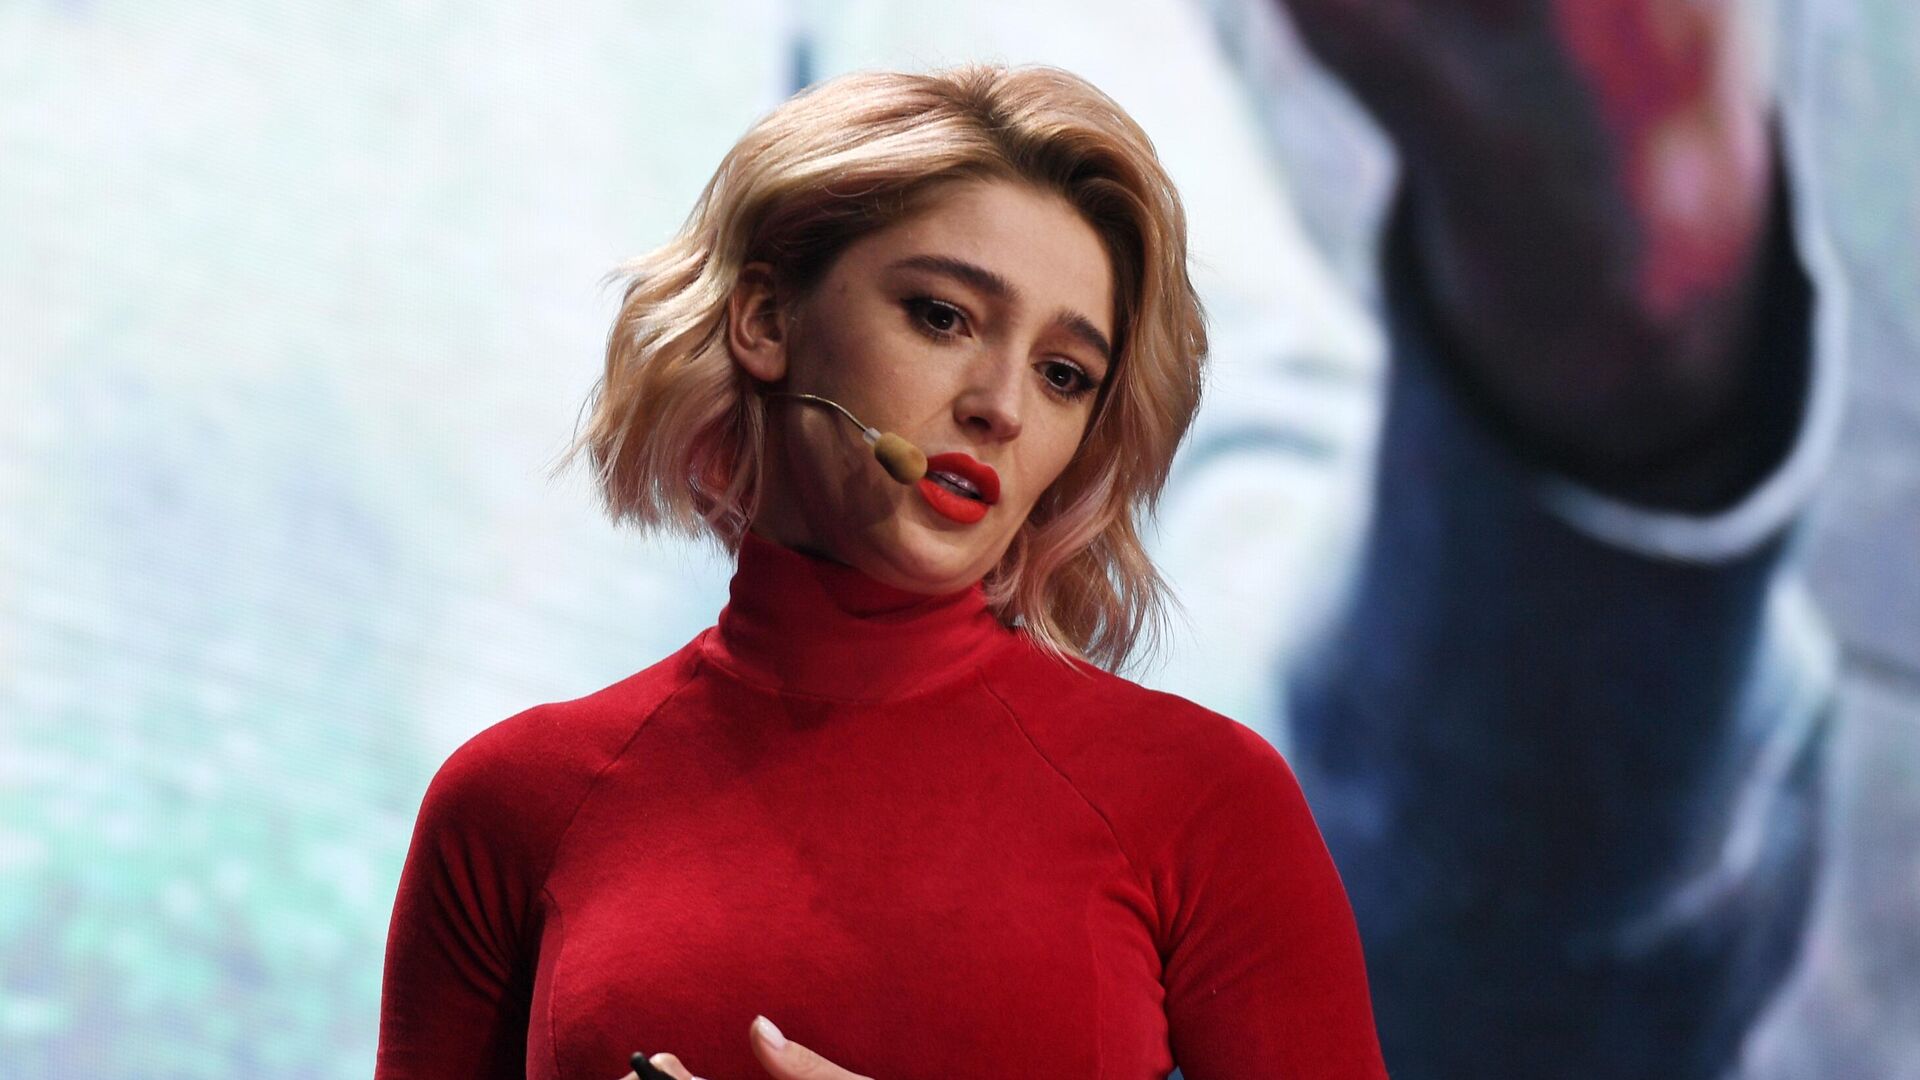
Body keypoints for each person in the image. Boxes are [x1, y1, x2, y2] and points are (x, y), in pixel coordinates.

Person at [375, 65, 1390, 1080]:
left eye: (1063, 374)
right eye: (943, 317)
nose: (1001, 406)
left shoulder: (1207, 801)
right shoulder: (513, 801)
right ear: (766, 320)